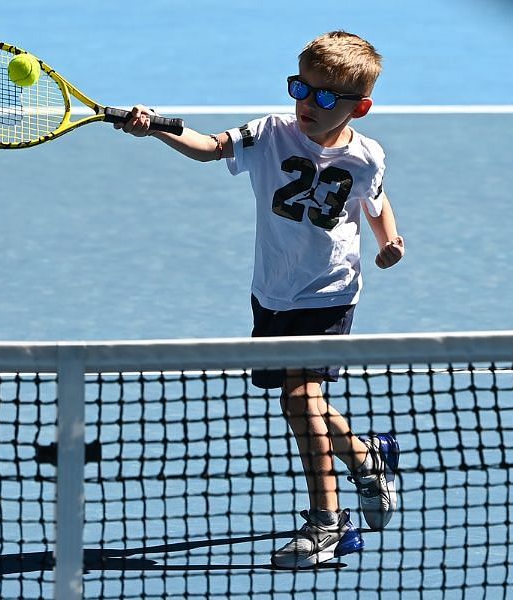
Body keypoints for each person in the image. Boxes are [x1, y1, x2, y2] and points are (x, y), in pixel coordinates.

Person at [116, 31, 404, 568]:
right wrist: (155, 127)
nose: (306, 104)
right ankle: (367, 458)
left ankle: (326, 525)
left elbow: (377, 202)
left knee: (299, 402)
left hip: (329, 293)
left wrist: (389, 241)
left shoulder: (367, 156)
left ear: (359, 107)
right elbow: (208, 148)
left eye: (323, 97)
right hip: (273, 293)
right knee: (305, 402)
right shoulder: (270, 132)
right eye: (300, 88)